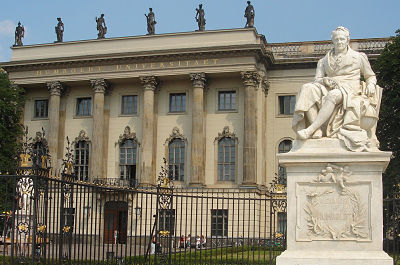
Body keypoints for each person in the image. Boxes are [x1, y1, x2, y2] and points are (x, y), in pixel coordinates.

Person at [292, 26, 379, 152]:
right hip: (329, 86)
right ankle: (317, 130)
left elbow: (370, 76)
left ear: (347, 40)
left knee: (333, 95)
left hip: (351, 89)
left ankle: (310, 129)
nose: (339, 42)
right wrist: (324, 80)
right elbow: (317, 79)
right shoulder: (323, 61)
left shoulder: (359, 57)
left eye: (342, 39)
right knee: (307, 89)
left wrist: (371, 85)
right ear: (332, 41)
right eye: (337, 39)